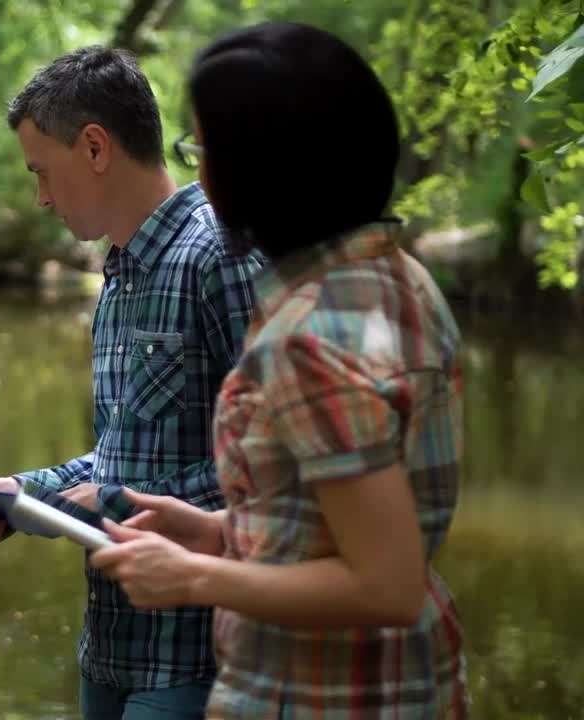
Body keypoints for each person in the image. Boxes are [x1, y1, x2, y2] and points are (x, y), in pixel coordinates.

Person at [89, 22, 469, 719]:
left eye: (205, 150)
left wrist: (196, 575)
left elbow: (386, 584)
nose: (197, 173)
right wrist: (222, 531)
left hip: (322, 691)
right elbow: (351, 521)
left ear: (264, 167)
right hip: (411, 682)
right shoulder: (397, 276)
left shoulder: (309, 339)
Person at [0, 46, 262, 719]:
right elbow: (125, 454)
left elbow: (277, 474)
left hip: (194, 654)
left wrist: (112, 499)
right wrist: (25, 494)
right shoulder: (117, 278)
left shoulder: (220, 256)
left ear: (94, 147)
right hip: (110, 651)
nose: (40, 199)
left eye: (42, 173)